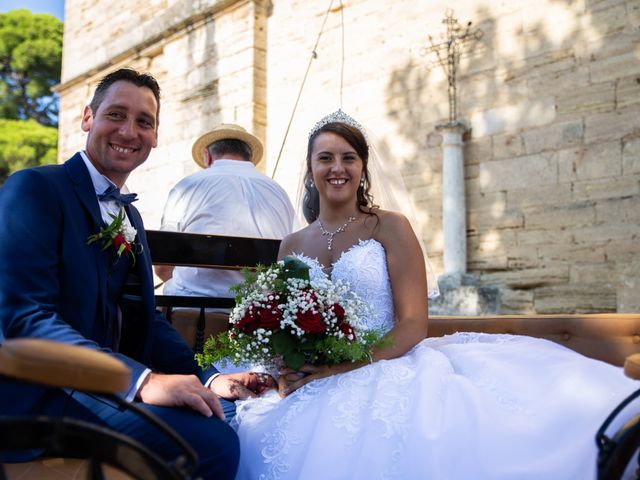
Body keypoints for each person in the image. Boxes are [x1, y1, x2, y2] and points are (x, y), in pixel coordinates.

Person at [230, 110, 639, 479]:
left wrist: (341, 368)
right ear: (310, 168)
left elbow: (413, 325)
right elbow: (284, 320)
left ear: (363, 168)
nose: (338, 168)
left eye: (348, 157)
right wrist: (288, 363)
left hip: (387, 366)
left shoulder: (390, 227)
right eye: (326, 158)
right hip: (315, 378)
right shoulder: (291, 244)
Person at [0, 68, 274, 480]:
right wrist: (142, 381)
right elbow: (24, 318)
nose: (129, 131)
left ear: (156, 136)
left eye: (144, 121)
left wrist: (209, 377)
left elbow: (147, 321)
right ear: (87, 118)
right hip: (46, 392)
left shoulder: (130, 215)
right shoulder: (36, 188)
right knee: (214, 442)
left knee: (235, 411)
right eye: (116, 115)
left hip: (103, 388)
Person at [156, 123, 295, 301]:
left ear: (207, 156)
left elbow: (162, 266)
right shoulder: (279, 192)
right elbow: (293, 259)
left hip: (193, 313)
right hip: (261, 317)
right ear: (250, 158)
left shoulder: (186, 187)